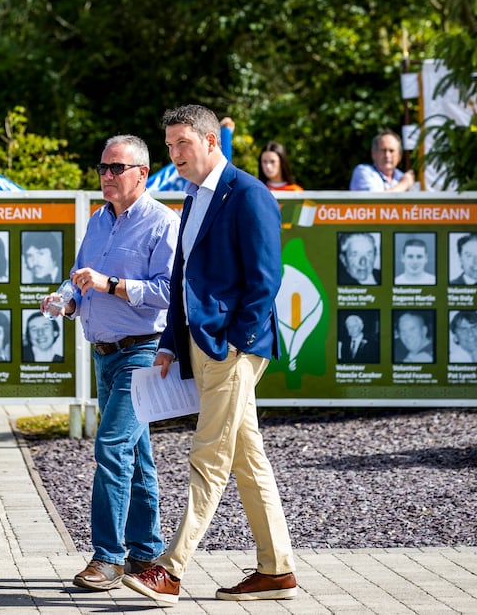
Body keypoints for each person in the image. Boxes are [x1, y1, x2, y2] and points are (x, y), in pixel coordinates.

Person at [122, 105, 296, 605]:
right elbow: (183, 278)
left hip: (231, 347)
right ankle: (277, 569)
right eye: (170, 145)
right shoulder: (192, 196)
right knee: (247, 457)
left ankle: (170, 569)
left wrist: (236, 342)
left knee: (208, 454)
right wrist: (172, 341)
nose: (174, 154)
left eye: (183, 144)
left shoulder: (249, 194)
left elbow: (266, 281)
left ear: (212, 141)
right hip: (201, 343)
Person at [40, 133, 178, 592]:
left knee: (112, 448)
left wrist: (111, 283)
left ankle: (107, 559)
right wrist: (66, 299)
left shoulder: (163, 223)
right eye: (102, 167)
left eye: (116, 168)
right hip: (104, 353)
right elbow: (81, 279)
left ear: (142, 172)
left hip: (143, 350)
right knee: (136, 456)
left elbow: (169, 293)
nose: (106, 175)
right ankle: (144, 552)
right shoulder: (99, 220)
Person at [349, 131, 415, 192]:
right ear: (373, 153)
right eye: (383, 150)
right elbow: (376, 202)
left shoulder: (402, 177)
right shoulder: (363, 172)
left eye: (391, 151)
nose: (387, 155)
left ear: (399, 156)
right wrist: (403, 185)